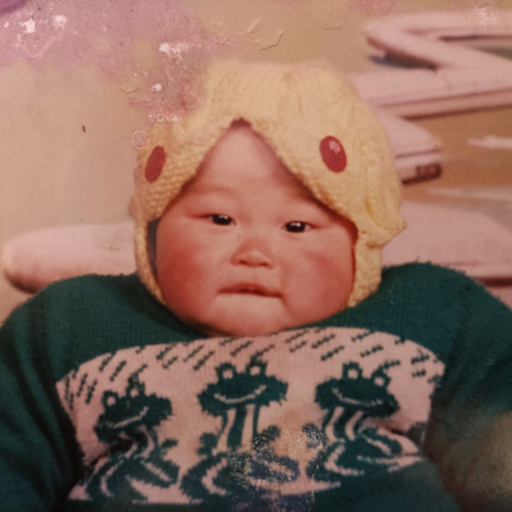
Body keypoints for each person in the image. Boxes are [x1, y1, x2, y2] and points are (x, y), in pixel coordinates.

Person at [1, 59, 511, 512]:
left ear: (361, 243)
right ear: (153, 231)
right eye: (220, 219)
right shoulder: (71, 326)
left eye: (297, 227)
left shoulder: (431, 313)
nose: (254, 253)